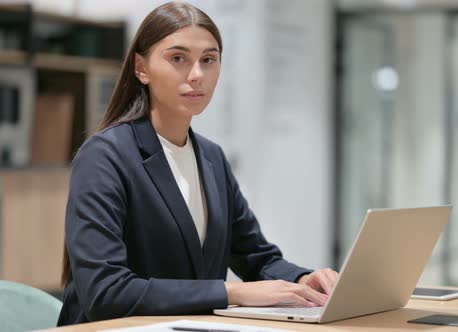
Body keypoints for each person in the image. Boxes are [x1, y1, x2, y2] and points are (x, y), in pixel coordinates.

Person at [57, 2, 338, 326]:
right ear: (141, 68)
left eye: (209, 60)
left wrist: (304, 280)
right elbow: (105, 293)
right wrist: (231, 293)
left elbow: (256, 256)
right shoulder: (105, 157)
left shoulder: (212, 158)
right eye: (178, 58)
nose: (196, 75)